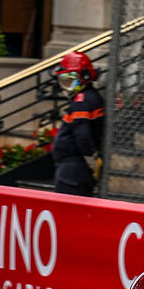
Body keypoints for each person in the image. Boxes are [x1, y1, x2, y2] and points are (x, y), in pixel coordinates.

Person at [50, 51, 105, 196]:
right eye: (64, 80)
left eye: (71, 79)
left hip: (74, 169)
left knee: (66, 211)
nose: (67, 85)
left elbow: (82, 134)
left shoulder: (82, 101)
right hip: (75, 166)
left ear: (85, 77)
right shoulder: (89, 97)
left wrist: (91, 159)